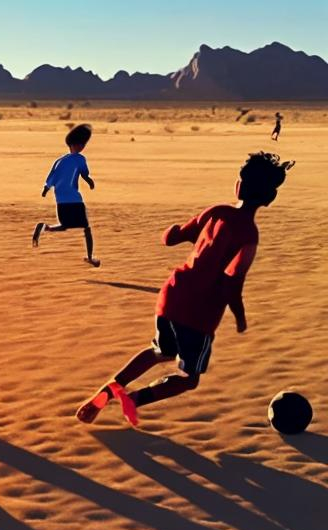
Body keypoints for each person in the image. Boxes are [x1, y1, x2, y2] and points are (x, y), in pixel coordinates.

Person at [76, 152, 295, 426]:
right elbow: (232, 282)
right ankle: (134, 400)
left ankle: (109, 389)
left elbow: (172, 238)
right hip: (199, 313)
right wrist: (239, 317)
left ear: (238, 186)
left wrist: (173, 230)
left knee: (159, 351)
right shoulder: (249, 235)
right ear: (269, 199)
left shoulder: (216, 212)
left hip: (172, 295)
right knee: (189, 379)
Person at [32, 124, 100, 267]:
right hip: (75, 199)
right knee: (86, 227)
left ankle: (45, 227)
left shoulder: (60, 161)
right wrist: (89, 181)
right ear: (77, 144)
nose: (82, 146)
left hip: (61, 200)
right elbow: (84, 173)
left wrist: (46, 188)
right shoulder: (80, 159)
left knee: (64, 226)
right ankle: (89, 257)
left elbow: (52, 176)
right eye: (82, 144)